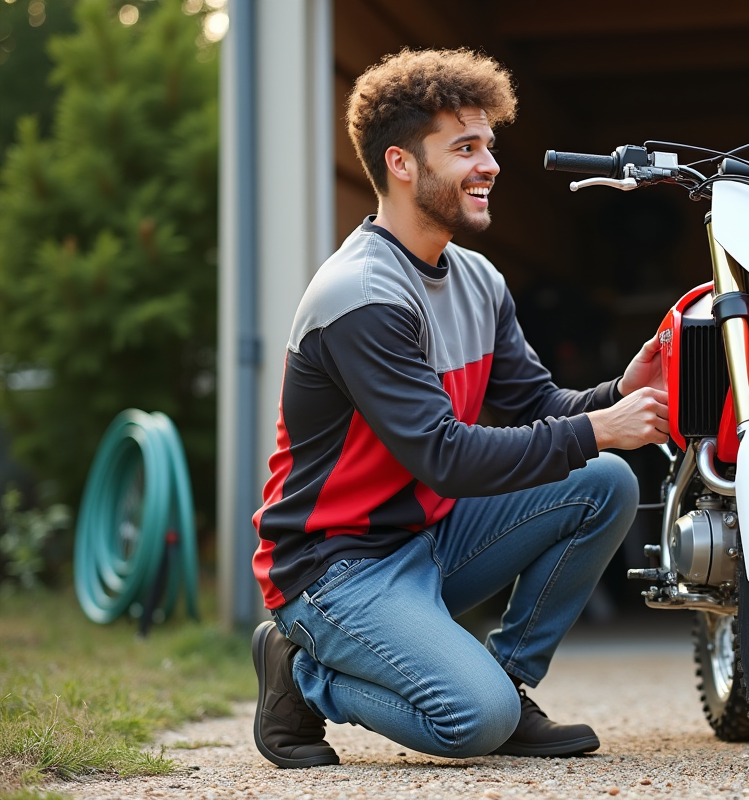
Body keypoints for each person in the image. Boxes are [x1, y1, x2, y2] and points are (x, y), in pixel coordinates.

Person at [249, 48, 670, 769]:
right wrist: (598, 427)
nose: (490, 165)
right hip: (335, 565)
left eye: (489, 146)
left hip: (428, 536)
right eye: (465, 148)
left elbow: (537, 405)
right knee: (471, 724)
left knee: (605, 482)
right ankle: (303, 672)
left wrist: (616, 396)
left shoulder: (477, 279)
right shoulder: (360, 295)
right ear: (402, 164)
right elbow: (441, 454)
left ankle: (508, 680)